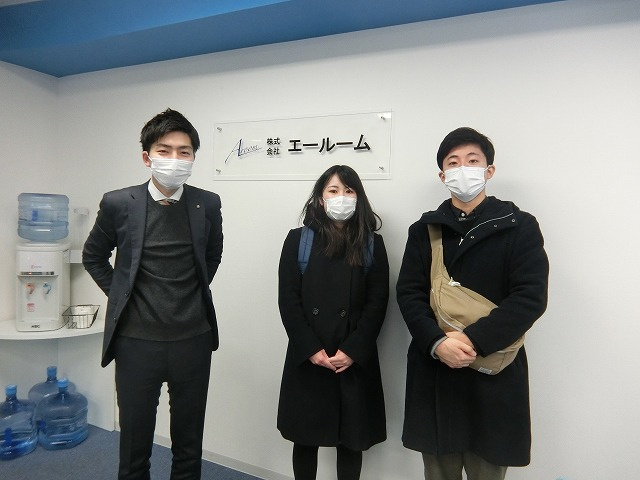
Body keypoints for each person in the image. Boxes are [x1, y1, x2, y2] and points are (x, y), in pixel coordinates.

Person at [396, 127, 549, 480]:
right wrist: (437, 343)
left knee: (487, 471)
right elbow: (409, 293)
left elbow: (530, 297)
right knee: (438, 471)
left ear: (489, 170)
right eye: (453, 163)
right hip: (436, 370)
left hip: (492, 371)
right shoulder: (424, 230)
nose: (463, 169)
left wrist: (471, 341)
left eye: (472, 160)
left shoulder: (519, 226)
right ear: (442, 175)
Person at [82, 108, 223, 480]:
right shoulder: (118, 203)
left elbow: (212, 255)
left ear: (193, 157)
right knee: (134, 445)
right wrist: (122, 295)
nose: (174, 159)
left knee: (189, 445)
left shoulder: (207, 203)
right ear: (147, 157)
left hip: (193, 339)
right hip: (136, 341)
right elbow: (93, 256)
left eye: (184, 151)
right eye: (165, 150)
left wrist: (189, 294)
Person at [277, 165, 389, 480]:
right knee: (305, 438)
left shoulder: (372, 243)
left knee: (351, 440)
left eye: (349, 191)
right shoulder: (298, 240)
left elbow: (378, 302)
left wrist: (353, 349)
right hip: (308, 353)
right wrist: (310, 348)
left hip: (353, 354)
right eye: (333, 190)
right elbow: (288, 300)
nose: (342, 197)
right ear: (321, 198)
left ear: (359, 197)